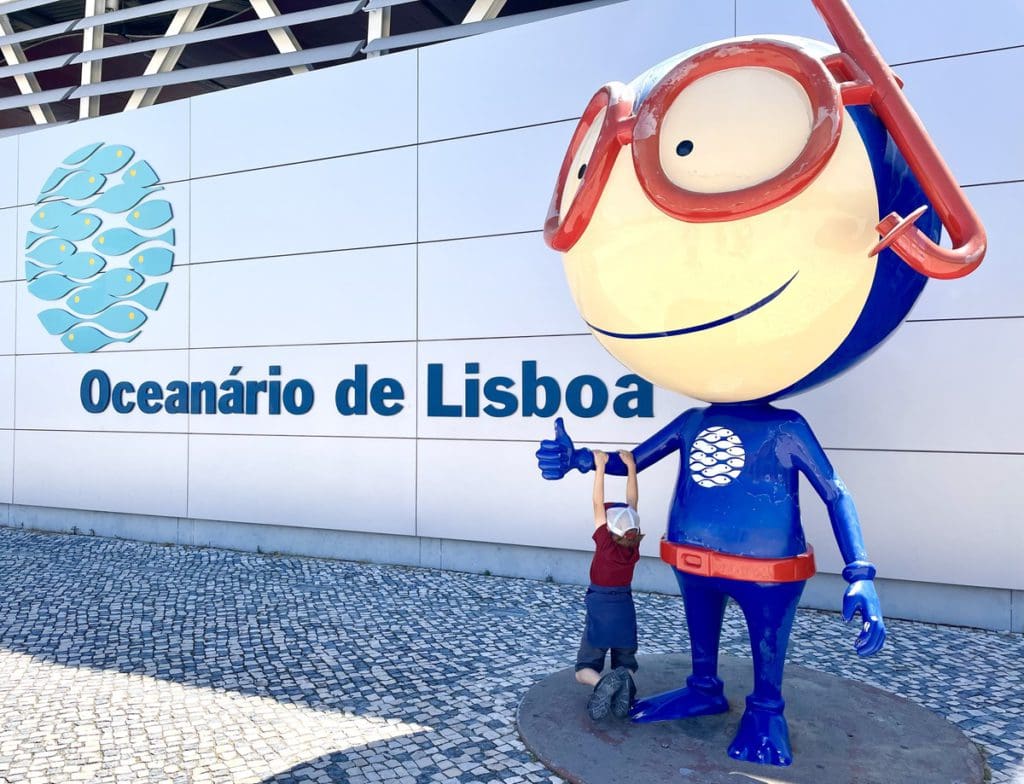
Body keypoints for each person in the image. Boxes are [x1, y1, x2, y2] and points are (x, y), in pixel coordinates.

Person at [575, 448, 644, 720]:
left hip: (601, 605)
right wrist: (631, 467)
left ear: (610, 529)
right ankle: (622, 682)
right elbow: (632, 502)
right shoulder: (633, 547)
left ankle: (602, 684)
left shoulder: (605, 542)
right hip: (625, 608)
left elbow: (596, 502)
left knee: (583, 669)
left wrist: (600, 465)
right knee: (626, 664)